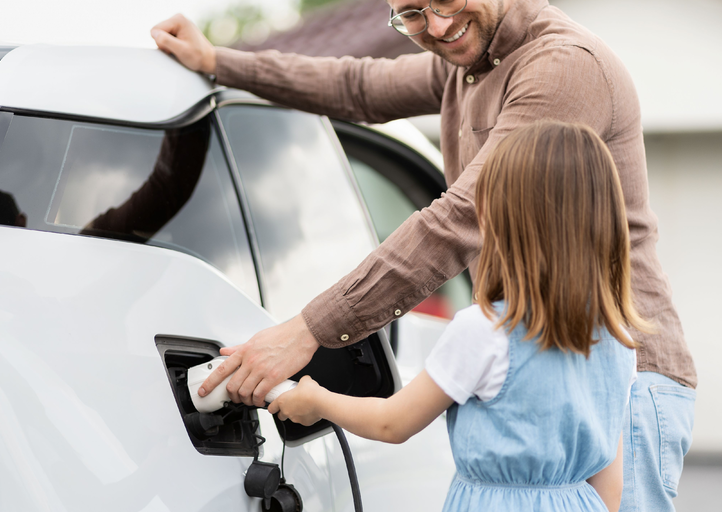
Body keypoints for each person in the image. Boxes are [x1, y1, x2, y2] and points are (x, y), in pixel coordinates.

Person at [151, 0, 696, 509]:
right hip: (541, 368)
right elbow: (354, 88)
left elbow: (459, 219)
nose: (436, 25)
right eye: (410, 15)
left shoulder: (560, 68)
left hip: (609, 375)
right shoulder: (467, 63)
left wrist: (309, 330)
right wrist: (220, 62)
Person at [269, 120, 644, 512]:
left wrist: (317, 401)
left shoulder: (485, 331)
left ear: (503, 222)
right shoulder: (619, 340)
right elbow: (610, 488)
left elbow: (392, 423)